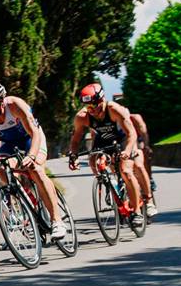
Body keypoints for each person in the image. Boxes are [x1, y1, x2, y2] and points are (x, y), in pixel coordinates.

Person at [0, 81, 67, 241]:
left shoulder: (14, 105)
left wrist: (31, 156)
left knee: (36, 169)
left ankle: (57, 220)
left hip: (31, 138)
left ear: (1, 101)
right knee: (0, 166)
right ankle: (22, 200)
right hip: (10, 144)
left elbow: (34, 133)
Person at [67, 83, 156, 222]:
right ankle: (108, 184)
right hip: (103, 140)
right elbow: (75, 141)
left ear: (101, 100)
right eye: (87, 107)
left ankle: (137, 211)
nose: (91, 111)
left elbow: (131, 133)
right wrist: (73, 155)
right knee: (93, 161)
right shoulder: (82, 117)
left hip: (123, 139)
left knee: (126, 170)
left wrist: (127, 151)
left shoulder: (114, 109)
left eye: (93, 106)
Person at [129, 111, 156, 192]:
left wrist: (146, 146)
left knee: (145, 151)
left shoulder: (135, 118)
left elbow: (144, 133)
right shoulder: (115, 120)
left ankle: (149, 178)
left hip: (137, 139)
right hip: (125, 140)